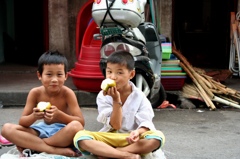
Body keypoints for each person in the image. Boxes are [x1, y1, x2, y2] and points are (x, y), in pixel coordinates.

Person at [73, 50, 166, 159]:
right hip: (110, 137)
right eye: (109, 72)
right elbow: (116, 125)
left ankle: (111, 154)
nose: (113, 77)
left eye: (119, 72)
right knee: (80, 137)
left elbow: (146, 122)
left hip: (132, 140)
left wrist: (137, 132)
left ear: (131, 74)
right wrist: (116, 101)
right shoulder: (103, 96)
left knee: (158, 137)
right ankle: (125, 156)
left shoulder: (140, 97)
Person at [1, 50, 85, 157]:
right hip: (42, 130)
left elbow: (80, 122)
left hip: (63, 133)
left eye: (59, 74)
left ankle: (36, 145)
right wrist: (34, 116)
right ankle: (52, 149)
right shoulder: (35, 93)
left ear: (66, 76)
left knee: (76, 126)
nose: (54, 79)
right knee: (7, 129)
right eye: (49, 74)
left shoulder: (68, 93)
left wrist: (59, 115)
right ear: (39, 75)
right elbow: (23, 122)